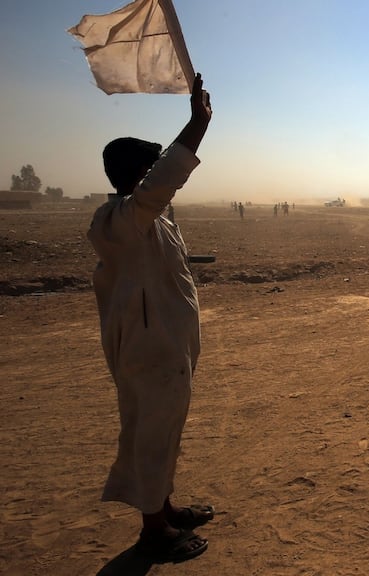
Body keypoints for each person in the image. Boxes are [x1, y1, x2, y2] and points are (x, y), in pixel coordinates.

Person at [86, 73, 214, 564]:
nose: (158, 179)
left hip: (168, 349)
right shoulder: (121, 218)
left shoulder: (152, 220)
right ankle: (153, 532)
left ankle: (165, 507)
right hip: (149, 350)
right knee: (151, 431)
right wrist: (197, 124)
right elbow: (167, 177)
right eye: (150, 169)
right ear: (139, 176)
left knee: (165, 429)